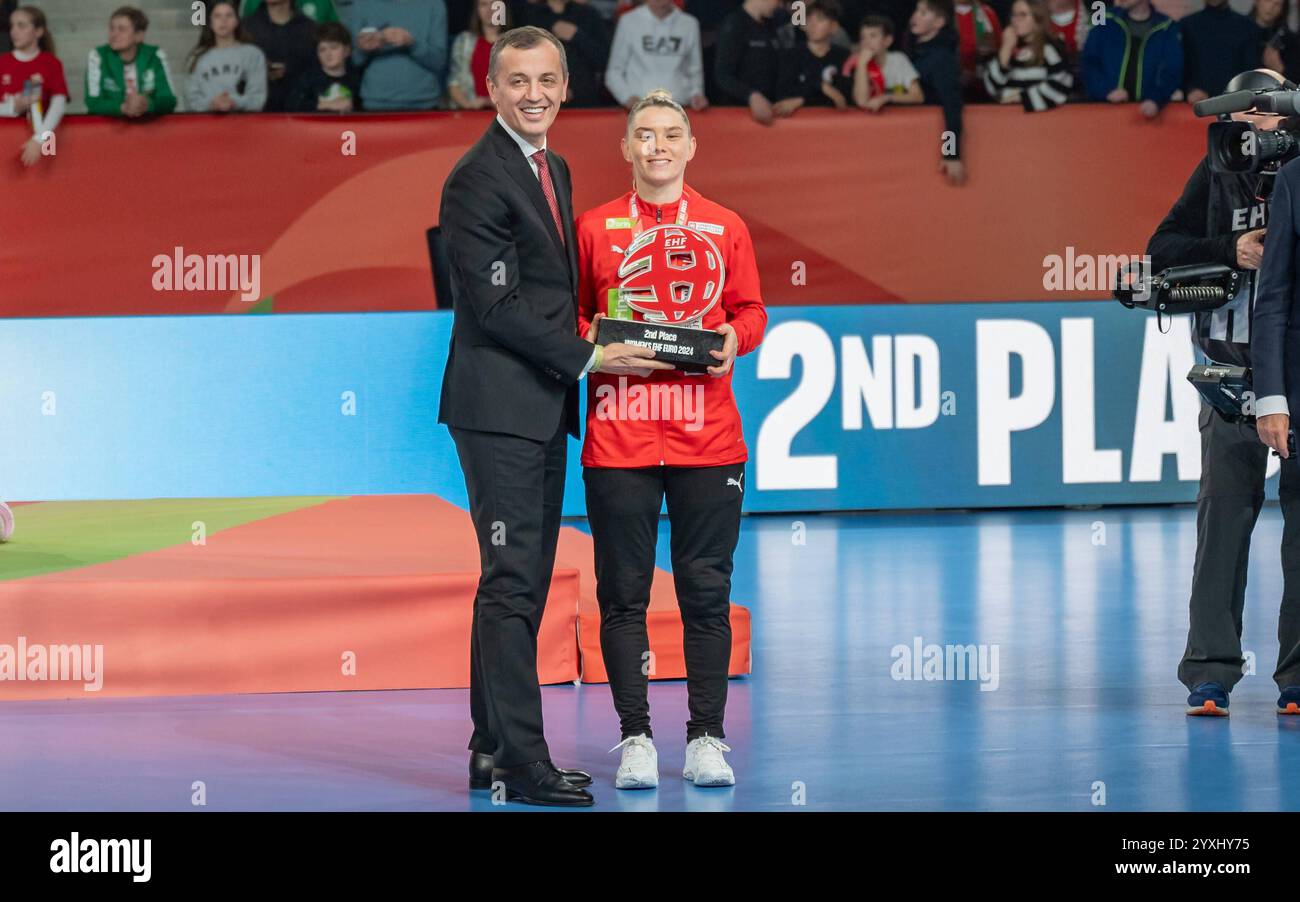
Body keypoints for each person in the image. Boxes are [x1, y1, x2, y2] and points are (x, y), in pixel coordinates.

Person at [437, 25, 671, 806]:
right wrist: (595, 356)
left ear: (567, 87)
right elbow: (496, 305)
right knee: (513, 582)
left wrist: (614, 322)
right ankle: (523, 764)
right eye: (517, 82)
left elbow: (550, 291)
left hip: (539, 404)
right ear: (492, 90)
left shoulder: (554, 166)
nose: (533, 94)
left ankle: (487, 745)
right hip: (499, 407)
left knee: (518, 580)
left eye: (546, 80)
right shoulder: (476, 178)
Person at [575, 88, 767, 789]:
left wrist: (733, 338)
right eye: (644, 136)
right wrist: (596, 344)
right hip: (618, 440)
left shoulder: (725, 226)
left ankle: (708, 738)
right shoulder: (593, 228)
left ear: (691, 147)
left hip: (708, 441)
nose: (658, 146)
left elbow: (750, 311)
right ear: (626, 148)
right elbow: (568, 320)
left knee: (705, 593)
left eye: (671, 135)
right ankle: (634, 740)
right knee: (622, 594)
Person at [1148, 69, 1300, 717]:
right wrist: (1228, 247)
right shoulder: (1214, 172)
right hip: (1227, 378)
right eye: (1241, 117)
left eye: (1264, 114)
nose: (1252, 128)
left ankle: (1295, 678)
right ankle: (1210, 673)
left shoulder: (1297, 174)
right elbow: (1160, 250)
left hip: (1292, 378)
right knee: (1223, 528)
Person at [1080, 0, 1180, 119]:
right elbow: (1089, 63)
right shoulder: (1104, 19)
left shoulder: (1167, 26)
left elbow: (1172, 70)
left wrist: (1155, 99)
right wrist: (1106, 91)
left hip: (1147, 115)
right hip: (1105, 112)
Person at [606, 0, 706, 110]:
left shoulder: (689, 24)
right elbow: (614, 71)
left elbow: (695, 69)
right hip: (639, 110)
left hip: (680, 108)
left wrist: (696, 94)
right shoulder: (628, 21)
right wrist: (627, 98)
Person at [0, 5, 67, 167]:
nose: (14, 31)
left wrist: (40, 139)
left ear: (38, 31)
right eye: (12, 26)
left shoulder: (51, 63)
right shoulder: (2, 63)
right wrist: (12, 107)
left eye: (21, 25)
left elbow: (59, 104)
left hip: (40, 141)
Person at [909, 0, 966, 185]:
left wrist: (951, 153)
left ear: (939, 22)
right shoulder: (913, 50)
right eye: (917, 10)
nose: (916, 16)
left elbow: (952, 106)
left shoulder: (942, 58)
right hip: (910, 139)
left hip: (926, 139)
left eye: (924, 13)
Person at [85, 6, 177, 118]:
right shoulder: (97, 56)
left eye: (122, 29)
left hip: (149, 128)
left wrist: (147, 104)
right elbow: (92, 102)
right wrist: (122, 107)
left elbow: (169, 100)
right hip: (108, 130)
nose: (114, 34)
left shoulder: (156, 55)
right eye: (111, 28)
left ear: (139, 36)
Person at [981, 0, 1071, 110]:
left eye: (1023, 15)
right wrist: (1006, 49)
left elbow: (1061, 84)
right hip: (1007, 119)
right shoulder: (1009, 50)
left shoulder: (1049, 49)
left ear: (1037, 18)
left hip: (1039, 120)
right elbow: (991, 87)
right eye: (1014, 15)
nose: (1016, 20)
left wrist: (1021, 98)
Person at [519, 0, 611, 107]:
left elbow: (605, 61)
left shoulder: (589, 14)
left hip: (585, 103)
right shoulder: (529, 15)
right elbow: (522, 63)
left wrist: (577, 36)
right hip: (541, 102)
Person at [186, 0, 268, 112]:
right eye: (217, 16)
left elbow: (257, 98)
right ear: (210, 23)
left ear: (236, 21)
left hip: (244, 123)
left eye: (228, 15)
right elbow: (191, 100)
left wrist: (233, 102)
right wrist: (211, 104)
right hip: (207, 125)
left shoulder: (253, 55)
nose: (223, 21)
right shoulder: (198, 58)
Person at [773, 0, 853, 114]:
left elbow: (842, 99)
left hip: (834, 124)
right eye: (808, 20)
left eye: (820, 20)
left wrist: (801, 99)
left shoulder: (843, 56)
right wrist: (822, 87)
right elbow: (784, 97)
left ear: (833, 26)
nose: (812, 25)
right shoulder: (790, 55)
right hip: (797, 125)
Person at [714, 0, 783, 123]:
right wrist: (751, 96)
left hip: (770, 110)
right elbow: (722, 75)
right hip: (739, 113)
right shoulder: (734, 24)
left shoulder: (770, 24)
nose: (780, 5)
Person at [1182, 0, 1265, 103]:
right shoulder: (1186, 26)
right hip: (1196, 107)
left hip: (1235, 106)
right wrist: (1189, 90)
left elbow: (1251, 72)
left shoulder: (1248, 27)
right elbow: (1179, 68)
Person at [243, 0, 316, 111]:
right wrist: (259, 71)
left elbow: (319, 71)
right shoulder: (245, 28)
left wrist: (290, 69)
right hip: (256, 115)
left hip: (302, 113)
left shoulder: (310, 28)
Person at [849, 14, 922, 111]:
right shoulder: (856, 63)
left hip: (897, 119)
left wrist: (886, 98)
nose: (867, 42)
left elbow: (918, 96)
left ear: (887, 41)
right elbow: (862, 101)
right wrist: (862, 64)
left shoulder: (898, 59)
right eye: (863, 37)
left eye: (873, 36)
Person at [447, 0, 510, 109]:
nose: (489, 9)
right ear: (477, 10)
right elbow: (454, 83)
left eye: (494, 4)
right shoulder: (464, 41)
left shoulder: (515, 43)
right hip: (472, 114)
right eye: (483, 4)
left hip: (506, 115)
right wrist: (469, 105)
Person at [287, 20, 360, 110]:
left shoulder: (356, 79)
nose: (328, 54)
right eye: (322, 49)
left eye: (334, 47)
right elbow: (293, 105)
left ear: (347, 50)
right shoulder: (308, 79)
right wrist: (326, 105)